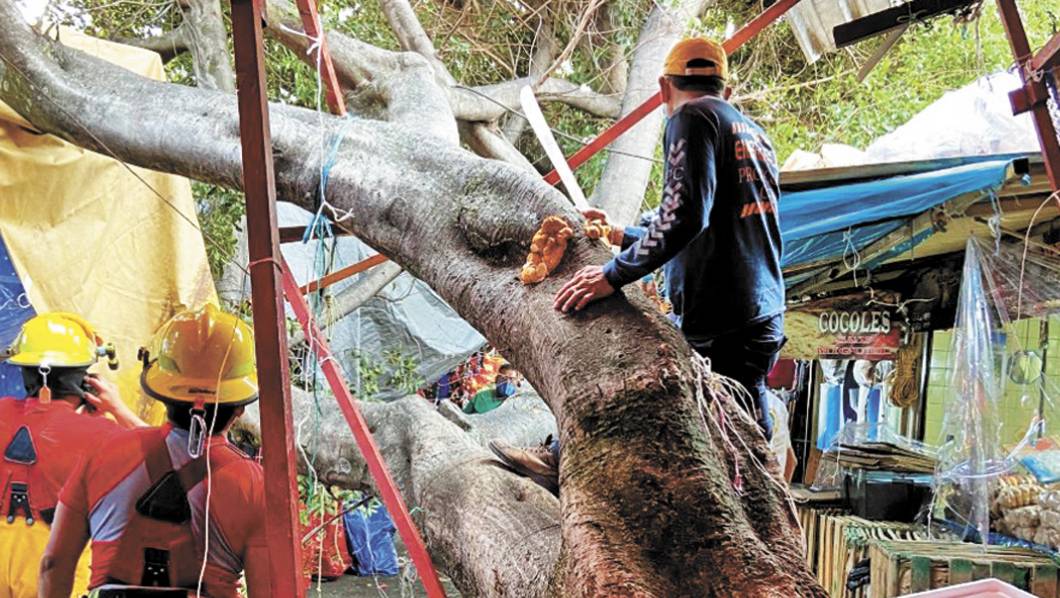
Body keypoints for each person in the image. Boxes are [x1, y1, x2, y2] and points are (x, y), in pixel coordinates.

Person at [492, 37, 785, 492]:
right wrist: (618, 235)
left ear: (665, 87)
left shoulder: (690, 118)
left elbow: (687, 217)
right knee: (742, 428)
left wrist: (614, 274)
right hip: (757, 311)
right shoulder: (750, 133)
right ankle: (761, 493)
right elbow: (703, 225)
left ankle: (566, 461)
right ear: (723, 88)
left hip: (725, 318)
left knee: (656, 393)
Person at [39, 305, 270, 598]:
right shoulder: (255, 484)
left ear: (161, 393)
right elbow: (270, 590)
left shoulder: (102, 453)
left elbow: (53, 564)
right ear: (239, 408)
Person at [0, 312, 145, 598]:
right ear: (85, 379)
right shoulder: (104, 436)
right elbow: (172, 458)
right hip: (55, 581)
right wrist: (118, 410)